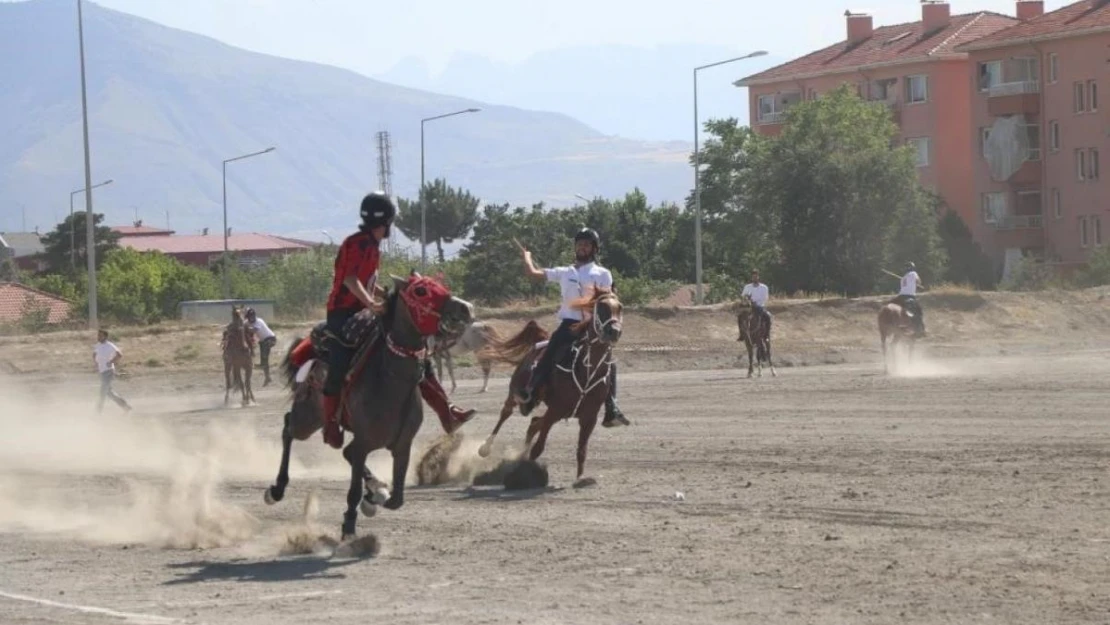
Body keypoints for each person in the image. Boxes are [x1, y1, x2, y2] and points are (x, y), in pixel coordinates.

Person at [321, 191, 475, 449]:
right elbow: (350, 280)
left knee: (413, 351)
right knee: (338, 365)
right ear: (387, 221)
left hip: (369, 309)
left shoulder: (371, 244)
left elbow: (368, 283)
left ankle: (447, 412)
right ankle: (330, 424)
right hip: (342, 313)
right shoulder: (357, 243)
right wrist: (371, 303)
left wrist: (388, 296)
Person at [516, 228, 630, 428]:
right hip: (568, 326)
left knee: (608, 362)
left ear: (594, 248)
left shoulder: (603, 274)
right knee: (550, 351)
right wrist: (527, 257)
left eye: (586, 244)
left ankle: (612, 407)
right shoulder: (564, 272)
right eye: (579, 244)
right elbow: (532, 273)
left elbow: (608, 300)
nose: (582, 247)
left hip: (592, 326)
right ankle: (531, 391)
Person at [92, 329, 131, 413]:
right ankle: (125, 406)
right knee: (109, 393)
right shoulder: (97, 345)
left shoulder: (109, 345)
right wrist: (96, 364)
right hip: (102, 372)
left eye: (100, 336)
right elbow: (94, 354)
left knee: (102, 392)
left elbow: (119, 354)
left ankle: (97, 412)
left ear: (105, 337)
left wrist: (111, 361)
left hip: (108, 371)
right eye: (98, 335)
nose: (98, 337)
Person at [892, 262, 926, 337]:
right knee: (919, 312)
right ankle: (920, 331)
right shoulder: (913, 273)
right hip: (909, 296)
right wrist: (917, 284)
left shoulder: (904, 277)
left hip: (900, 296)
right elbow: (919, 282)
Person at [244, 308, 277, 386]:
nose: (250, 318)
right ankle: (267, 377)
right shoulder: (247, 322)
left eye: (251, 316)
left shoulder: (259, 321)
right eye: (249, 317)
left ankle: (263, 366)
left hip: (270, 339)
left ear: (254, 316)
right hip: (263, 341)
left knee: (264, 356)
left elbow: (254, 330)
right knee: (265, 360)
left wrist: (246, 328)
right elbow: (243, 325)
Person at [741, 269, 772, 336]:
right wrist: (747, 301)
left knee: (768, 316)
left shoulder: (764, 287)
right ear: (751, 277)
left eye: (756, 276)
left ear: (758, 277)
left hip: (760, 306)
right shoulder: (747, 287)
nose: (754, 278)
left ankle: (767, 335)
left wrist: (756, 302)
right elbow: (743, 296)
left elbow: (765, 298)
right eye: (753, 277)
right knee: (740, 316)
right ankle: (742, 333)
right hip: (749, 306)